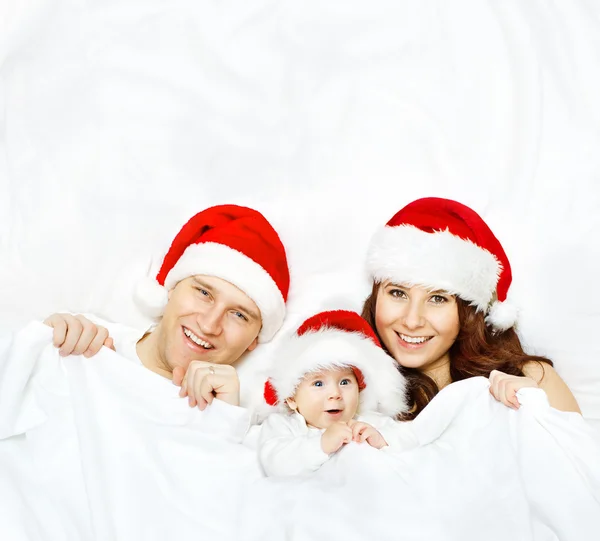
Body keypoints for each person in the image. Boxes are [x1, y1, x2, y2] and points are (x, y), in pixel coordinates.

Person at [44, 203, 290, 414]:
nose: (208, 325)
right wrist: (43, 346)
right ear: (171, 290)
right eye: (204, 293)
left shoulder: (251, 427)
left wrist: (223, 423)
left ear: (253, 340)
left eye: (238, 315)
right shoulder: (84, 340)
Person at [362, 196, 580, 419]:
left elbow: (579, 453)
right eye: (398, 293)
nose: (412, 320)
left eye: (437, 298)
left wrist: (534, 412)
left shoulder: (532, 378)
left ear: (468, 312)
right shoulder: (345, 390)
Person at [257, 310, 416, 477]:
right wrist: (321, 444)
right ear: (291, 399)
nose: (335, 394)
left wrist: (382, 440)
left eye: (345, 382)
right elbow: (274, 464)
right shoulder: (284, 426)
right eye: (318, 384)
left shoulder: (369, 422)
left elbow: (411, 442)